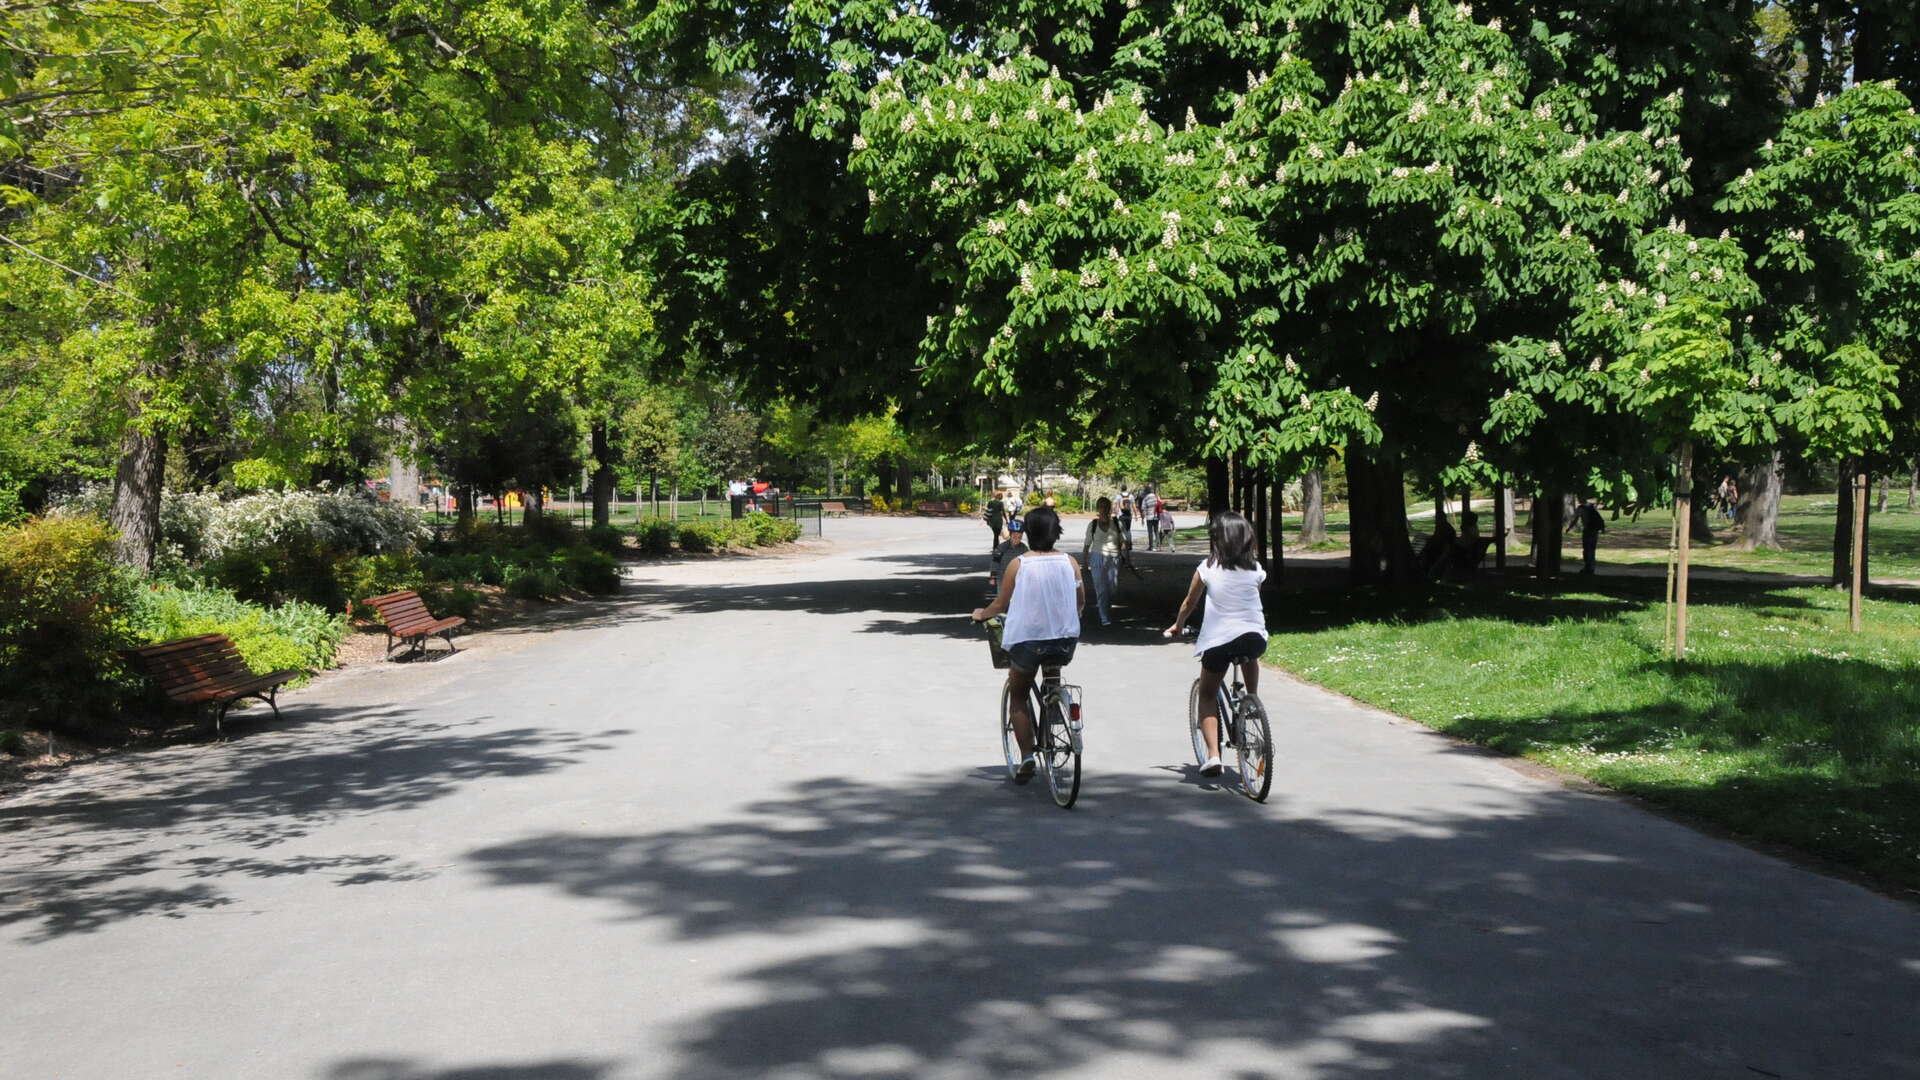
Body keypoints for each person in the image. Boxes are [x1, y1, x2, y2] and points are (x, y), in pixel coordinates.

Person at [973, 508, 1084, 782]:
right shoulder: (1070, 562)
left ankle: (1027, 756)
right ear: (1056, 532)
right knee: (1052, 675)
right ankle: (1055, 705)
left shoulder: (1019, 564)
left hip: (1028, 642)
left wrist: (980, 614)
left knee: (1019, 694)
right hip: (1064, 640)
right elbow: (1080, 601)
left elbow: (1000, 603)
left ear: (1028, 534)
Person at [1164, 511, 1267, 777]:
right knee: (1249, 654)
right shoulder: (1255, 568)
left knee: (1208, 693)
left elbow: (1190, 602)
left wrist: (1178, 625)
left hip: (1219, 640)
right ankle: (1252, 701)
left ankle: (1213, 756)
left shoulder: (1207, 567)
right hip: (1254, 636)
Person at [1081, 496, 1131, 626]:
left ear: (1109, 508)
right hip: (1096, 557)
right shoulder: (1092, 525)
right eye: (1101, 506)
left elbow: (1124, 543)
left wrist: (1128, 560)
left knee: (1112, 587)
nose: (1103, 509)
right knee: (1101, 589)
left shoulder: (1116, 523)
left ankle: (1106, 605)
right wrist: (1085, 563)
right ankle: (1104, 617)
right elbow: (1086, 545)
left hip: (1114, 557)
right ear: (1098, 508)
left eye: (1106, 506)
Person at [1573, 499, 1606, 574]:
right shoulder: (1591, 507)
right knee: (1592, 549)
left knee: (1587, 549)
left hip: (1587, 530)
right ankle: (1592, 566)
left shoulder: (1581, 508)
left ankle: (1588, 566)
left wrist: (1569, 527)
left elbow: (1576, 519)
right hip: (1595, 531)